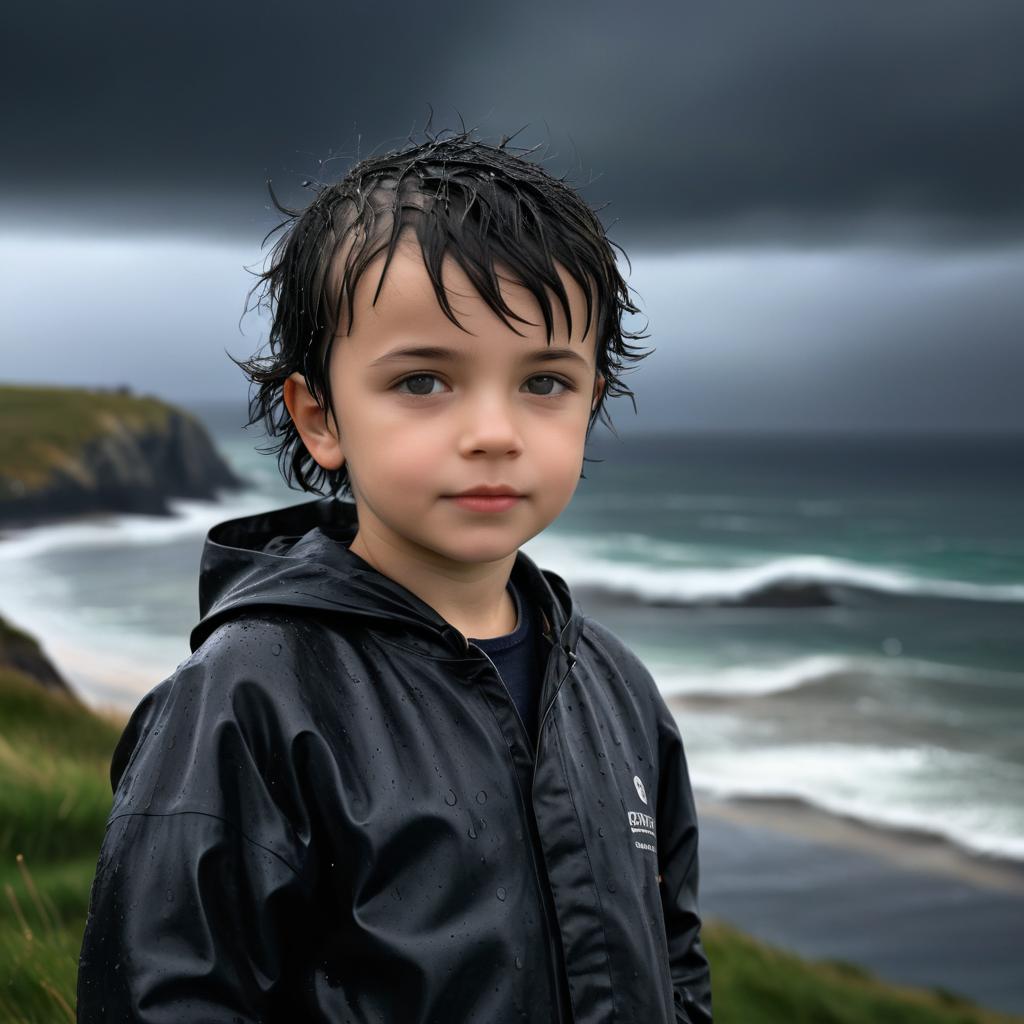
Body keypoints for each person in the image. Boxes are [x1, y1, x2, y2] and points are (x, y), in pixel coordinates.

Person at [76, 125, 713, 1023]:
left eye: (544, 383)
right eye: (423, 381)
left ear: (592, 402)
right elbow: (166, 999)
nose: (494, 431)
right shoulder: (245, 699)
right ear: (320, 416)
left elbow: (676, 959)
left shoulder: (618, 693)